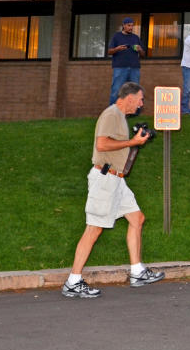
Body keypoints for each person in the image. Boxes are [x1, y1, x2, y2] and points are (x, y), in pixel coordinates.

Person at [60, 81, 164, 298]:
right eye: (140, 99)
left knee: (137, 218)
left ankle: (137, 272)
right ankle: (73, 281)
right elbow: (102, 145)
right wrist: (131, 142)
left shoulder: (121, 118)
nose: (141, 104)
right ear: (129, 98)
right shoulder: (111, 114)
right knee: (94, 229)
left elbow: (116, 145)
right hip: (105, 180)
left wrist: (135, 140)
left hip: (117, 180)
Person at [107, 17, 145, 106]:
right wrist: (118, 48)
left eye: (132, 26)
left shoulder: (136, 37)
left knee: (135, 90)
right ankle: (114, 110)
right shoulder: (117, 36)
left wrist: (139, 50)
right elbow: (109, 52)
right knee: (116, 89)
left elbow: (143, 55)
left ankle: (133, 112)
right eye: (129, 25)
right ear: (123, 25)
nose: (131, 27)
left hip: (134, 68)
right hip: (120, 67)